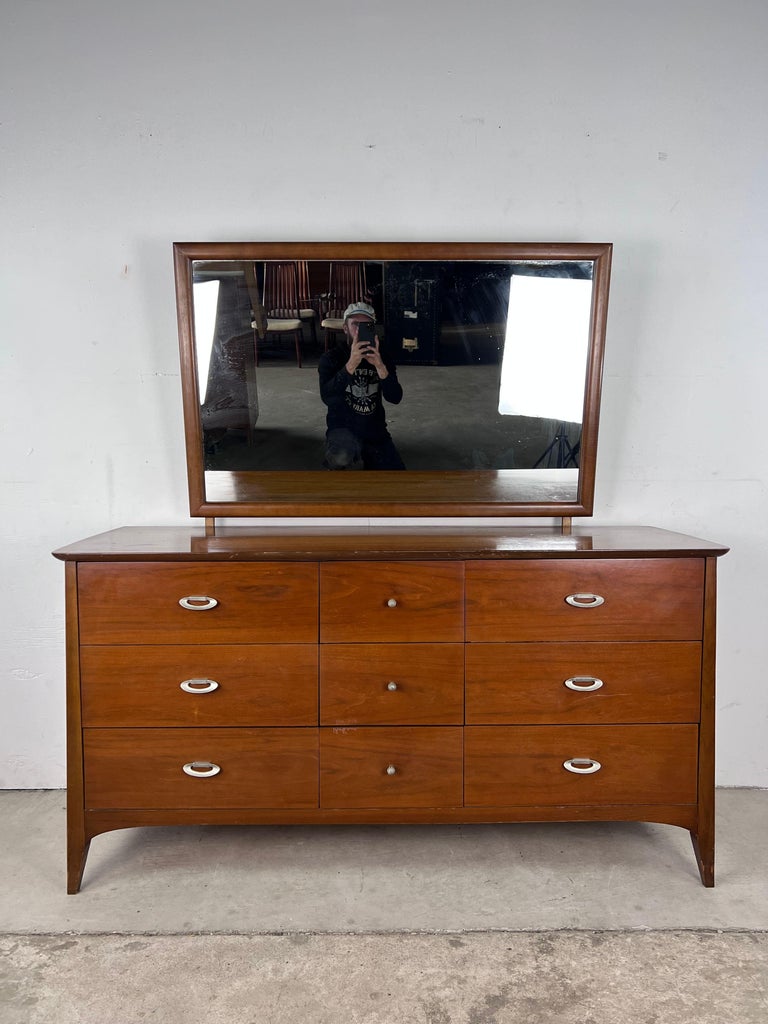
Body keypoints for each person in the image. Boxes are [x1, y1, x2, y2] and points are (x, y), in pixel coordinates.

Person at [318, 301, 406, 470]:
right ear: (345, 328)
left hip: (374, 428)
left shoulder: (383, 356)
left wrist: (380, 366)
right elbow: (328, 398)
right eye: (355, 324)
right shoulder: (331, 358)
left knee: (397, 479)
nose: (359, 330)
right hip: (342, 428)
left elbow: (395, 397)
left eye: (366, 325)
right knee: (340, 461)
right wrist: (350, 365)